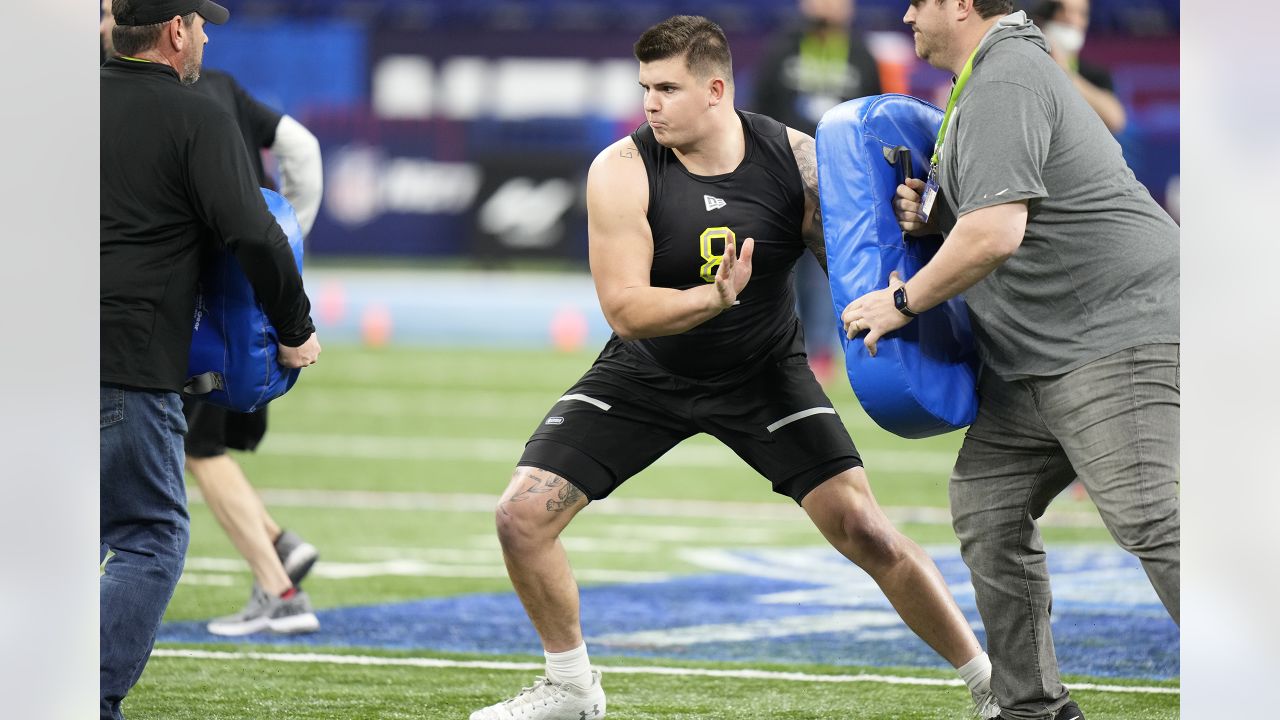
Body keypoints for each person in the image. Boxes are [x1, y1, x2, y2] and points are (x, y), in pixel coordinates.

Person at [470, 15, 998, 720]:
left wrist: (914, 258)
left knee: (865, 529)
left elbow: (856, 265)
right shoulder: (621, 169)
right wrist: (711, 298)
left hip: (762, 372)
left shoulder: (797, 160)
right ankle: (570, 689)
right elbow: (625, 310)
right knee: (520, 518)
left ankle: (992, 686)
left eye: (666, 87)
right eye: (644, 87)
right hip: (646, 373)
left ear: (715, 89)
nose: (649, 103)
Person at [841, 2, 1179, 718]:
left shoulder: (1007, 75)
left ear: (962, 3)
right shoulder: (987, 74)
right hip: (1036, 352)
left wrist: (899, 305)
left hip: (1113, 330)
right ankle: (1032, 708)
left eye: (920, 1)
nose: (905, 14)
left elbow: (995, 232)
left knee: (1152, 520)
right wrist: (935, 211)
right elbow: (999, 206)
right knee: (987, 507)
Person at [100, 0, 322, 716]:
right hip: (128, 361)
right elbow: (256, 236)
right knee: (148, 538)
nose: (202, 37)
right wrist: (295, 326)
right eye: (200, 25)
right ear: (174, 32)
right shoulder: (197, 116)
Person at [752, 0, 883, 381]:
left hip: (839, 186)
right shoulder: (781, 48)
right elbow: (758, 111)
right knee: (780, 268)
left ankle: (821, 353)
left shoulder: (861, 54)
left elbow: (872, 117)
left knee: (827, 270)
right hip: (782, 181)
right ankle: (778, 348)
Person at [1028, 0, 1126, 134]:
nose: (1071, 18)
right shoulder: (1027, 65)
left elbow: (1115, 120)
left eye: (1081, 13)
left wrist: (1065, 72)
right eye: (1061, 10)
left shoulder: (1095, 74)